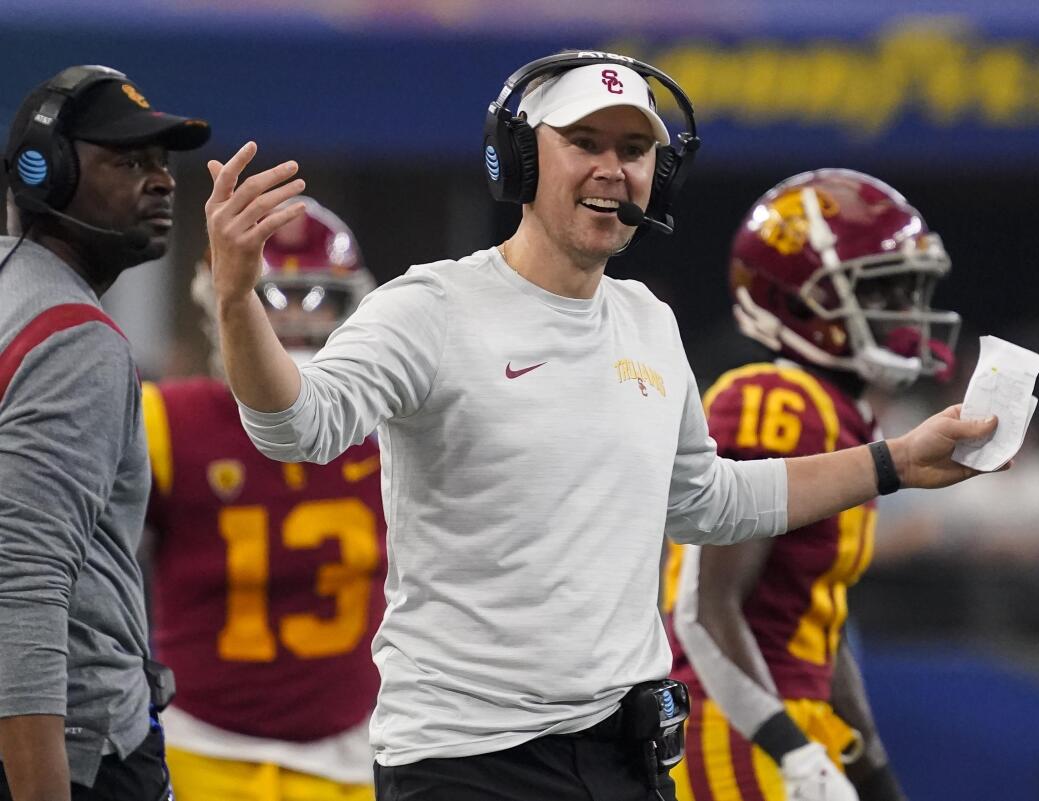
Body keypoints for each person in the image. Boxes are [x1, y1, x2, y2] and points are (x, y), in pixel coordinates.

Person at [203, 52, 997, 801]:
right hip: (467, 759)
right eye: (583, 141)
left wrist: (894, 461)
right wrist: (239, 304)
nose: (612, 168)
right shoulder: (429, 308)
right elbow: (295, 428)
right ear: (516, 160)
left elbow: (707, 500)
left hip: (627, 749)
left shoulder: (648, 319)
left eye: (634, 149)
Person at [662, 169, 959, 801]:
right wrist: (786, 747)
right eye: (884, 291)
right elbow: (702, 610)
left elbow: (821, 622)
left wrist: (870, 764)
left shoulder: (843, 414)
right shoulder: (774, 400)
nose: (906, 313)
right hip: (733, 723)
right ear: (798, 300)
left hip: (791, 718)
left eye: (909, 290)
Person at [0, 66, 209, 800]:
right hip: (71, 750)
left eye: (161, 163)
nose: (162, 181)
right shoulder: (75, 339)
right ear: (46, 174)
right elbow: (22, 585)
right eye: (128, 162)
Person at [142, 197, 385, 801]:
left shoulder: (391, 428)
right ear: (219, 307)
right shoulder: (164, 423)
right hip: (199, 747)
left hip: (355, 751)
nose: (297, 323)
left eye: (318, 298)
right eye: (271, 299)